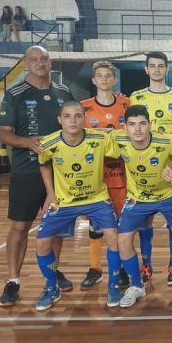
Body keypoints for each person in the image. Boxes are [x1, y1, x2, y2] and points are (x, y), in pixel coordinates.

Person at [0, 45, 75, 307]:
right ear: (25, 63)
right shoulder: (15, 93)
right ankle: (12, 281)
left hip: (59, 173)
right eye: (34, 59)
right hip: (27, 171)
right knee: (20, 227)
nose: (40, 63)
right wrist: (28, 142)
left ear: (50, 61)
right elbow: (4, 134)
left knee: (54, 228)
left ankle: (51, 273)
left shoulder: (63, 92)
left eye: (44, 58)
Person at [36, 101, 121, 310]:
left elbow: (122, 145)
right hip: (64, 201)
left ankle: (114, 284)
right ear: (59, 120)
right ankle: (51, 286)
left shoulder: (100, 139)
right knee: (41, 243)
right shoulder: (48, 143)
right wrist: (50, 194)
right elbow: (43, 164)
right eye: (67, 116)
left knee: (114, 238)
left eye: (77, 116)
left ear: (84, 118)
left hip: (96, 199)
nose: (72, 121)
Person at [111, 105, 172, 307]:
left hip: (167, 195)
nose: (138, 129)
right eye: (132, 124)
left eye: (142, 123)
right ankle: (136, 285)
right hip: (137, 198)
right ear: (125, 127)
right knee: (122, 240)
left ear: (150, 125)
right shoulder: (118, 140)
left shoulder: (167, 140)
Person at [129, 51, 172, 283]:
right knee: (145, 220)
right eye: (153, 66)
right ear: (146, 70)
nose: (157, 70)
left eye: (161, 66)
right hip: (143, 165)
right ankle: (146, 263)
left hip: (170, 164)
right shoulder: (136, 96)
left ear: (167, 69)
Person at [79, 61, 130, 291]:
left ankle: (119, 270)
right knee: (96, 226)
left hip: (121, 174)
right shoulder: (84, 107)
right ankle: (95, 268)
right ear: (93, 80)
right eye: (99, 75)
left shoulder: (127, 103)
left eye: (108, 75)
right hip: (94, 176)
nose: (104, 79)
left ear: (114, 79)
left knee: (120, 225)